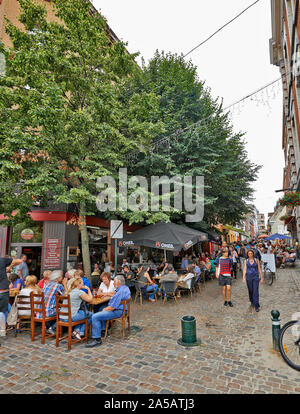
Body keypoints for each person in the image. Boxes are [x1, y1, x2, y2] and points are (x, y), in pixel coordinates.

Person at [86, 275, 131, 347]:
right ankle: (102, 331)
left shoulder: (120, 292)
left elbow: (112, 307)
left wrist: (105, 309)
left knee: (95, 316)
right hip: (122, 309)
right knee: (99, 311)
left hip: (119, 311)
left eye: (115, 282)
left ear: (118, 282)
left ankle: (97, 340)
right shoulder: (124, 288)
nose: (113, 283)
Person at [37, 270, 65, 334]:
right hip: (48, 312)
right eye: (61, 276)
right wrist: (65, 284)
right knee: (65, 311)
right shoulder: (58, 285)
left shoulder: (47, 284)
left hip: (40, 311)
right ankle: (52, 327)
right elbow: (66, 296)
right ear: (58, 278)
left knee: (56, 308)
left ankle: (47, 326)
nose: (63, 278)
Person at [0, 256, 23, 329]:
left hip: (3, 290)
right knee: (4, 310)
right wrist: (10, 265)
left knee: (6, 308)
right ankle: (4, 328)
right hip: (2, 290)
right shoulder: (2, 260)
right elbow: (19, 261)